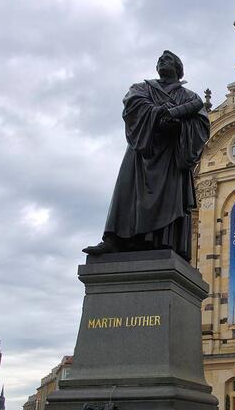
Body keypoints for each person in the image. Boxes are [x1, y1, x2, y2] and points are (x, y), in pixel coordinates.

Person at [84, 50, 209, 261]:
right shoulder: (142, 88)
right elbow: (133, 106)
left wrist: (179, 125)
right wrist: (159, 113)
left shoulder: (190, 97)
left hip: (170, 155)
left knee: (169, 198)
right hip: (142, 151)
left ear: (178, 69)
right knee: (126, 192)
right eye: (160, 60)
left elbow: (201, 125)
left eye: (167, 59)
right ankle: (115, 240)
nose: (162, 61)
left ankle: (163, 242)